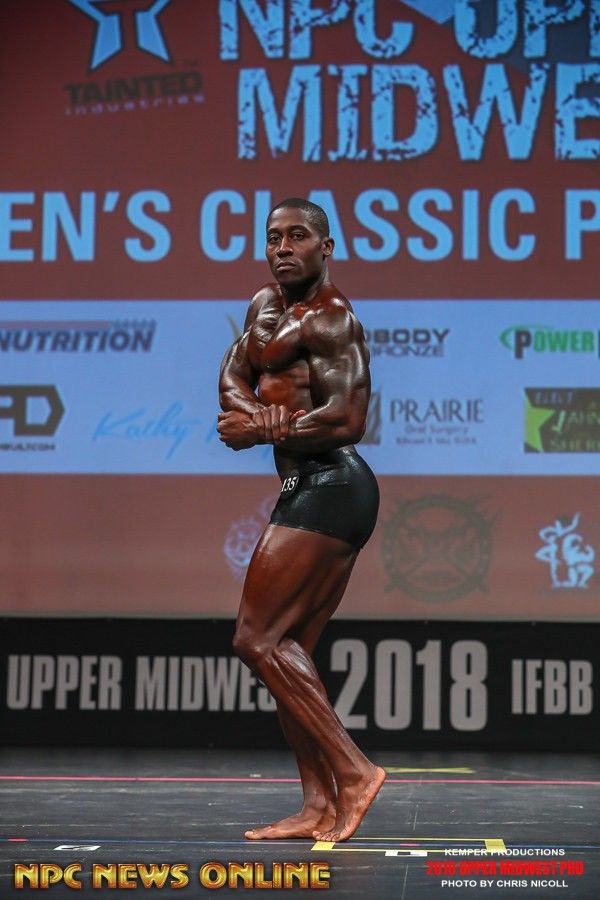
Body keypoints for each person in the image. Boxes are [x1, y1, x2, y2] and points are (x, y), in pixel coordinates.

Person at [217, 197, 384, 843]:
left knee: (256, 639)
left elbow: (348, 419)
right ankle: (316, 805)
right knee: (292, 655)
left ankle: (355, 771)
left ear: (325, 246)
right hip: (307, 485)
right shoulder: (264, 306)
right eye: (273, 237)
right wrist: (255, 414)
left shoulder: (333, 319)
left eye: (297, 237)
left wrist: (263, 427)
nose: (282, 248)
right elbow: (233, 376)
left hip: (334, 485)